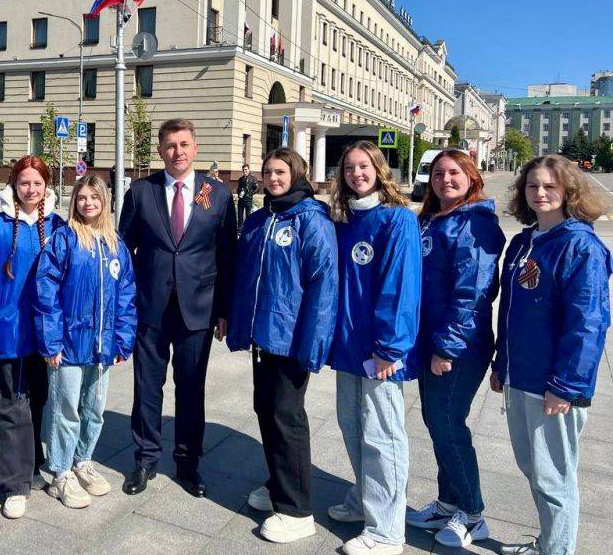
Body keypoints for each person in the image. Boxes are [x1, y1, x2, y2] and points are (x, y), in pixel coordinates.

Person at [492, 155, 611, 555]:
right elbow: (511, 311)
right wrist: (501, 365)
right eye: (532, 186)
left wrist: (565, 386)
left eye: (549, 186)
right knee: (534, 470)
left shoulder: (580, 246)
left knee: (554, 477)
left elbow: (588, 324)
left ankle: (557, 550)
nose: (540, 193)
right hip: (520, 376)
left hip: (553, 385)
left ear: (568, 191)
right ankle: (549, 543)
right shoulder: (525, 241)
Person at [119, 118, 237, 497]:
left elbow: (227, 255)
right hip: (150, 308)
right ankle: (145, 459)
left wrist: (224, 310)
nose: (178, 152)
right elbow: (124, 249)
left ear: (196, 148)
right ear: (160, 151)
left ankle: (188, 463)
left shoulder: (217, 194)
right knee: (147, 387)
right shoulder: (141, 191)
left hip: (197, 309)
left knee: (191, 389)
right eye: (170, 145)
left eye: (184, 144)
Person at [227, 149, 338, 544]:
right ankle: (278, 485)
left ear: (298, 174)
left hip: (291, 339)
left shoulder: (311, 219)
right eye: (268, 172)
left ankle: (296, 510)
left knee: (287, 417)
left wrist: (313, 343)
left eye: (281, 172)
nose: (274, 178)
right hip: (264, 337)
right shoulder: (260, 219)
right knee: (267, 409)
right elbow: (245, 277)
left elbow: (324, 285)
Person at [406, 149, 505, 548]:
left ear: (471, 177)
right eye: (438, 173)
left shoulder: (475, 222)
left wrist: (446, 347)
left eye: (454, 173)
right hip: (431, 341)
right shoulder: (432, 219)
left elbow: (473, 292)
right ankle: (449, 503)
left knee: (448, 424)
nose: (445, 179)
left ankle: (473, 512)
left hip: (460, 346)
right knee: (437, 423)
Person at [327, 141, 422, 555]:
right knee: (352, 427)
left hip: (380, 351)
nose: (356, 173)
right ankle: (366, 500)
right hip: (348, 347)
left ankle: (387, 531)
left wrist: (391, 347)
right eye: (349, 167)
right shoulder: (345, 220)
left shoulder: (396, 220)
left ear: (379, 170)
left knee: (383, 436)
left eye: (363, 166)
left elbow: (400, 288)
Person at [35, 175, 137, 508]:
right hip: (68, 344)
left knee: (94, 410)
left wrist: (122, 340)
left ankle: (83, 460)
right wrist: (52, 342)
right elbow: (46, 292)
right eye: (82, 197)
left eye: (94, 197)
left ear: (105, 201)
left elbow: (126, 295)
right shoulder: (64, 239)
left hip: (102, 346)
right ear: (74, 201)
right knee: (66, 410)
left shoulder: (115, 243)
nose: (88, 203)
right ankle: (60, 471)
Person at [0, 155, 66, 519]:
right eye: (24, 183)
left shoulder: (58, 225)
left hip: (45, 330)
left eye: (37, 183)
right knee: (11, 402)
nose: (31, 189)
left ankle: (33, 463)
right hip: (10, 327)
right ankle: (14, 483)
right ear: (14, 185)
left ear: (46, 186)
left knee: (39, 399)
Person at [236, 163, 259, 229]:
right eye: (243, 170)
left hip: (248, 200)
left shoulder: (253, 178)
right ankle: (239, 229)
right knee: (240, 216)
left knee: (248, 216)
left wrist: (251, 193)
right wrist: (239, 192)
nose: (244, 171)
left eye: (246, 170)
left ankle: (247, 228)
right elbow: (238, 188)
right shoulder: (241, 179)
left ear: (249, 170)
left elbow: (257, 188)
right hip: (241, 199)